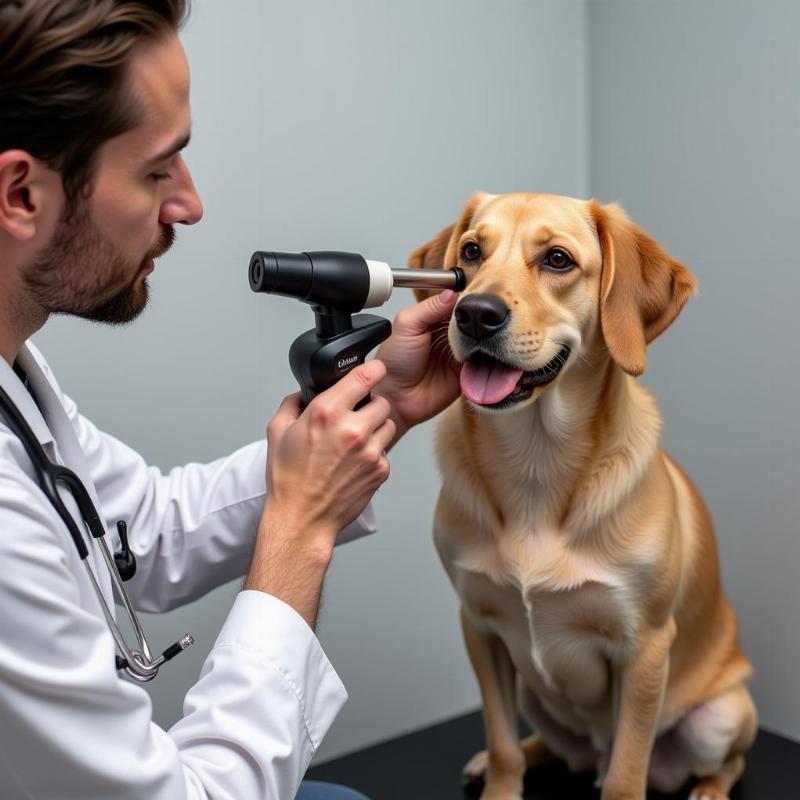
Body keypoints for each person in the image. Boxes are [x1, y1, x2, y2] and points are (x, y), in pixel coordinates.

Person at [0, 1, 462, 798]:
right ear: (21, 193)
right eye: (156, 169)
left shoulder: (15, 377)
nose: (190, 203)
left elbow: (142, 528)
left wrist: (372, 399)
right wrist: (300, 530)